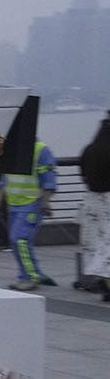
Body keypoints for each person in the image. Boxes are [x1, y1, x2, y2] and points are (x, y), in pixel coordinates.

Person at [2, 138, 61, 291]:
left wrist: (45, 200)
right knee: (19, 242)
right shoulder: (13, 149)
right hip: (14, 203)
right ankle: (34, 273)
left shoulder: (41, 150)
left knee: (19, 240)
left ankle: (30, 277)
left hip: (32, 203)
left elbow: (49, 177)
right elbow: (5, 178)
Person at [81, 113, 110, 300]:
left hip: (93, 202)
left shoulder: (89, 150)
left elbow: (83, 175)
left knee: (98, 244)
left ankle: (103, 283)